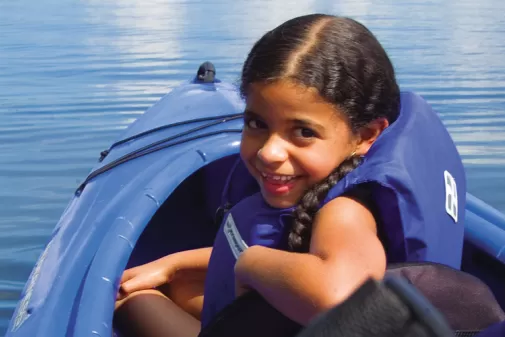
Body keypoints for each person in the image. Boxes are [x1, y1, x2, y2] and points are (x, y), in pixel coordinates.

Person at [114, 13, 466, 337]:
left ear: (365, 135)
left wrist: (253, 263)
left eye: (303, 132)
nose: (269, 152)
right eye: (257, 123)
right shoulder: (337, 180)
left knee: (129, 300)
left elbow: (340, 294)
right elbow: (275, 247)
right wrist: (173, 263)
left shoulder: (346, 213)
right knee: (179, 285)